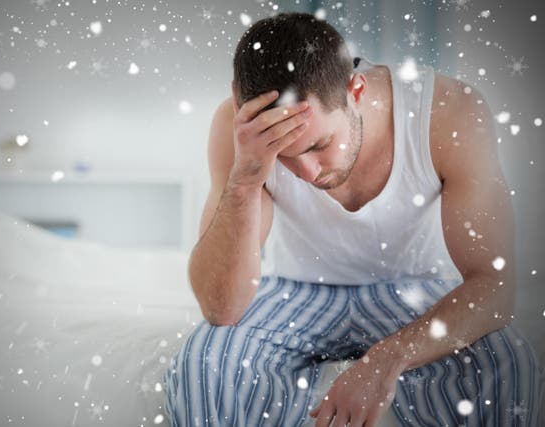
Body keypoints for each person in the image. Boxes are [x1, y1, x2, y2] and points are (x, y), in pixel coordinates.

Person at [163, 12, 544, 427]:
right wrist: (246, 179)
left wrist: (387, 358)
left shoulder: (448, 112)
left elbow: (494, 286)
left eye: (320, 144)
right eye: (285, 156)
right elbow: (222, 307)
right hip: (298, 290)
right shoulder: (239, 132)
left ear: (355, 90)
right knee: (206, 364)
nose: (307, 173)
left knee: (508, 364)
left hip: (416, 288)